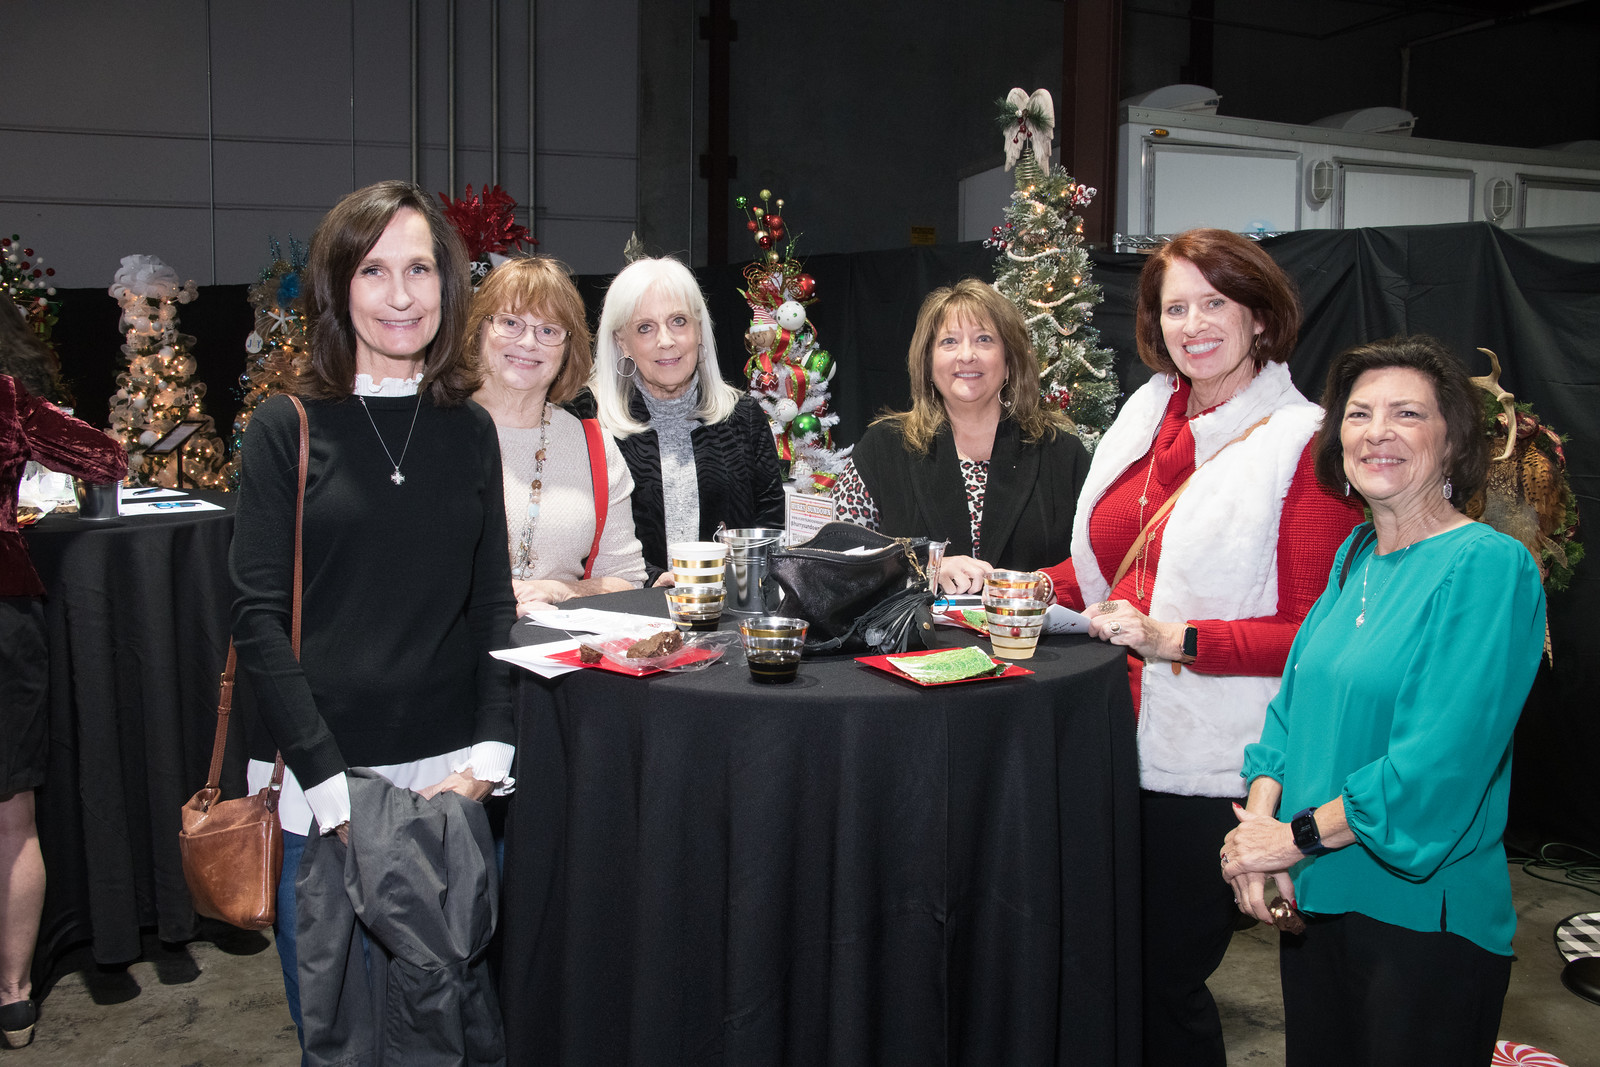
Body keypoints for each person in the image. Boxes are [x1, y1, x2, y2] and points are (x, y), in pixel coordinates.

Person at [1037, 228, 1364, 1065]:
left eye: (1215, 301)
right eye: (1175, 306)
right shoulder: (1149, 412)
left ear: (1260, 314)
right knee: (1105, 972)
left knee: (1161, 981)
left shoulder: (1301, 442)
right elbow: (1106, 571)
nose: (1194, 323)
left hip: (1212, 765)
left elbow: (1310, 633)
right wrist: (1017, 586)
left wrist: (1174, 638)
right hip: (1107, 739)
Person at [230, 180, 514, 1051]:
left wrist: (488, 760)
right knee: (343, 1039)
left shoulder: (469, 430)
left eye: (420, 268)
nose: (400, 295)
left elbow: (492, 606)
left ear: (448, 285)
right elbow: (256, 617)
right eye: (375, 270)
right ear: (337, 287)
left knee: (453, 1034)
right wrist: (330, 792)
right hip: (323, 798)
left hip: (451, 793)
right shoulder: (285, 427)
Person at [1222, 336, 1545, 1066]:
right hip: (1319, 895)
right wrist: (1260, 832)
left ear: (1452, 438)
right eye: (1359, 413)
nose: (1377, 432)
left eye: (1407, 413)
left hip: (1421, 923)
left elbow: (1436, 768)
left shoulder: (1488, 567)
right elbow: (1290, 713)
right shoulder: (1355, 554)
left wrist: (1291, 838)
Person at [1, 294, 129, 1049]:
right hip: (3, 615)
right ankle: (13, 996)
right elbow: (105, 456)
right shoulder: (9, 397)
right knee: (11, 818)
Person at [834, 278, 1090, 591]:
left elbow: (1099, 563)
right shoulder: (883, 448)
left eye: (984, 339)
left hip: (1028, 638)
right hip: (920, 640)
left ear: (1009, 362)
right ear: (927, 362)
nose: (966, 355)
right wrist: (921, 568)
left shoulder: (1062, 454)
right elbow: (839, 556)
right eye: (949, 342)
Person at [467, 256, 646, 614]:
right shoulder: (433, 429)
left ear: (567, 349)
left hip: (554, 658)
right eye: (510, 322)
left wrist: (562, 590)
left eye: (548, 330)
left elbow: (628, 581)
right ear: (478, 331)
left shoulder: (593, 445)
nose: (529, 342)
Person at [592, 256, 785, 583]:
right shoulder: (593, 425)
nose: (665, 340)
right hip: (632, 612)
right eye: (645, 327)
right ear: (621, 342)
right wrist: (652, 578)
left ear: (699, 330)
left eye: (678, 321)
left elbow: (769, 530)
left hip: (728, 614)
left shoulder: (745, 418)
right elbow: (586, 539)